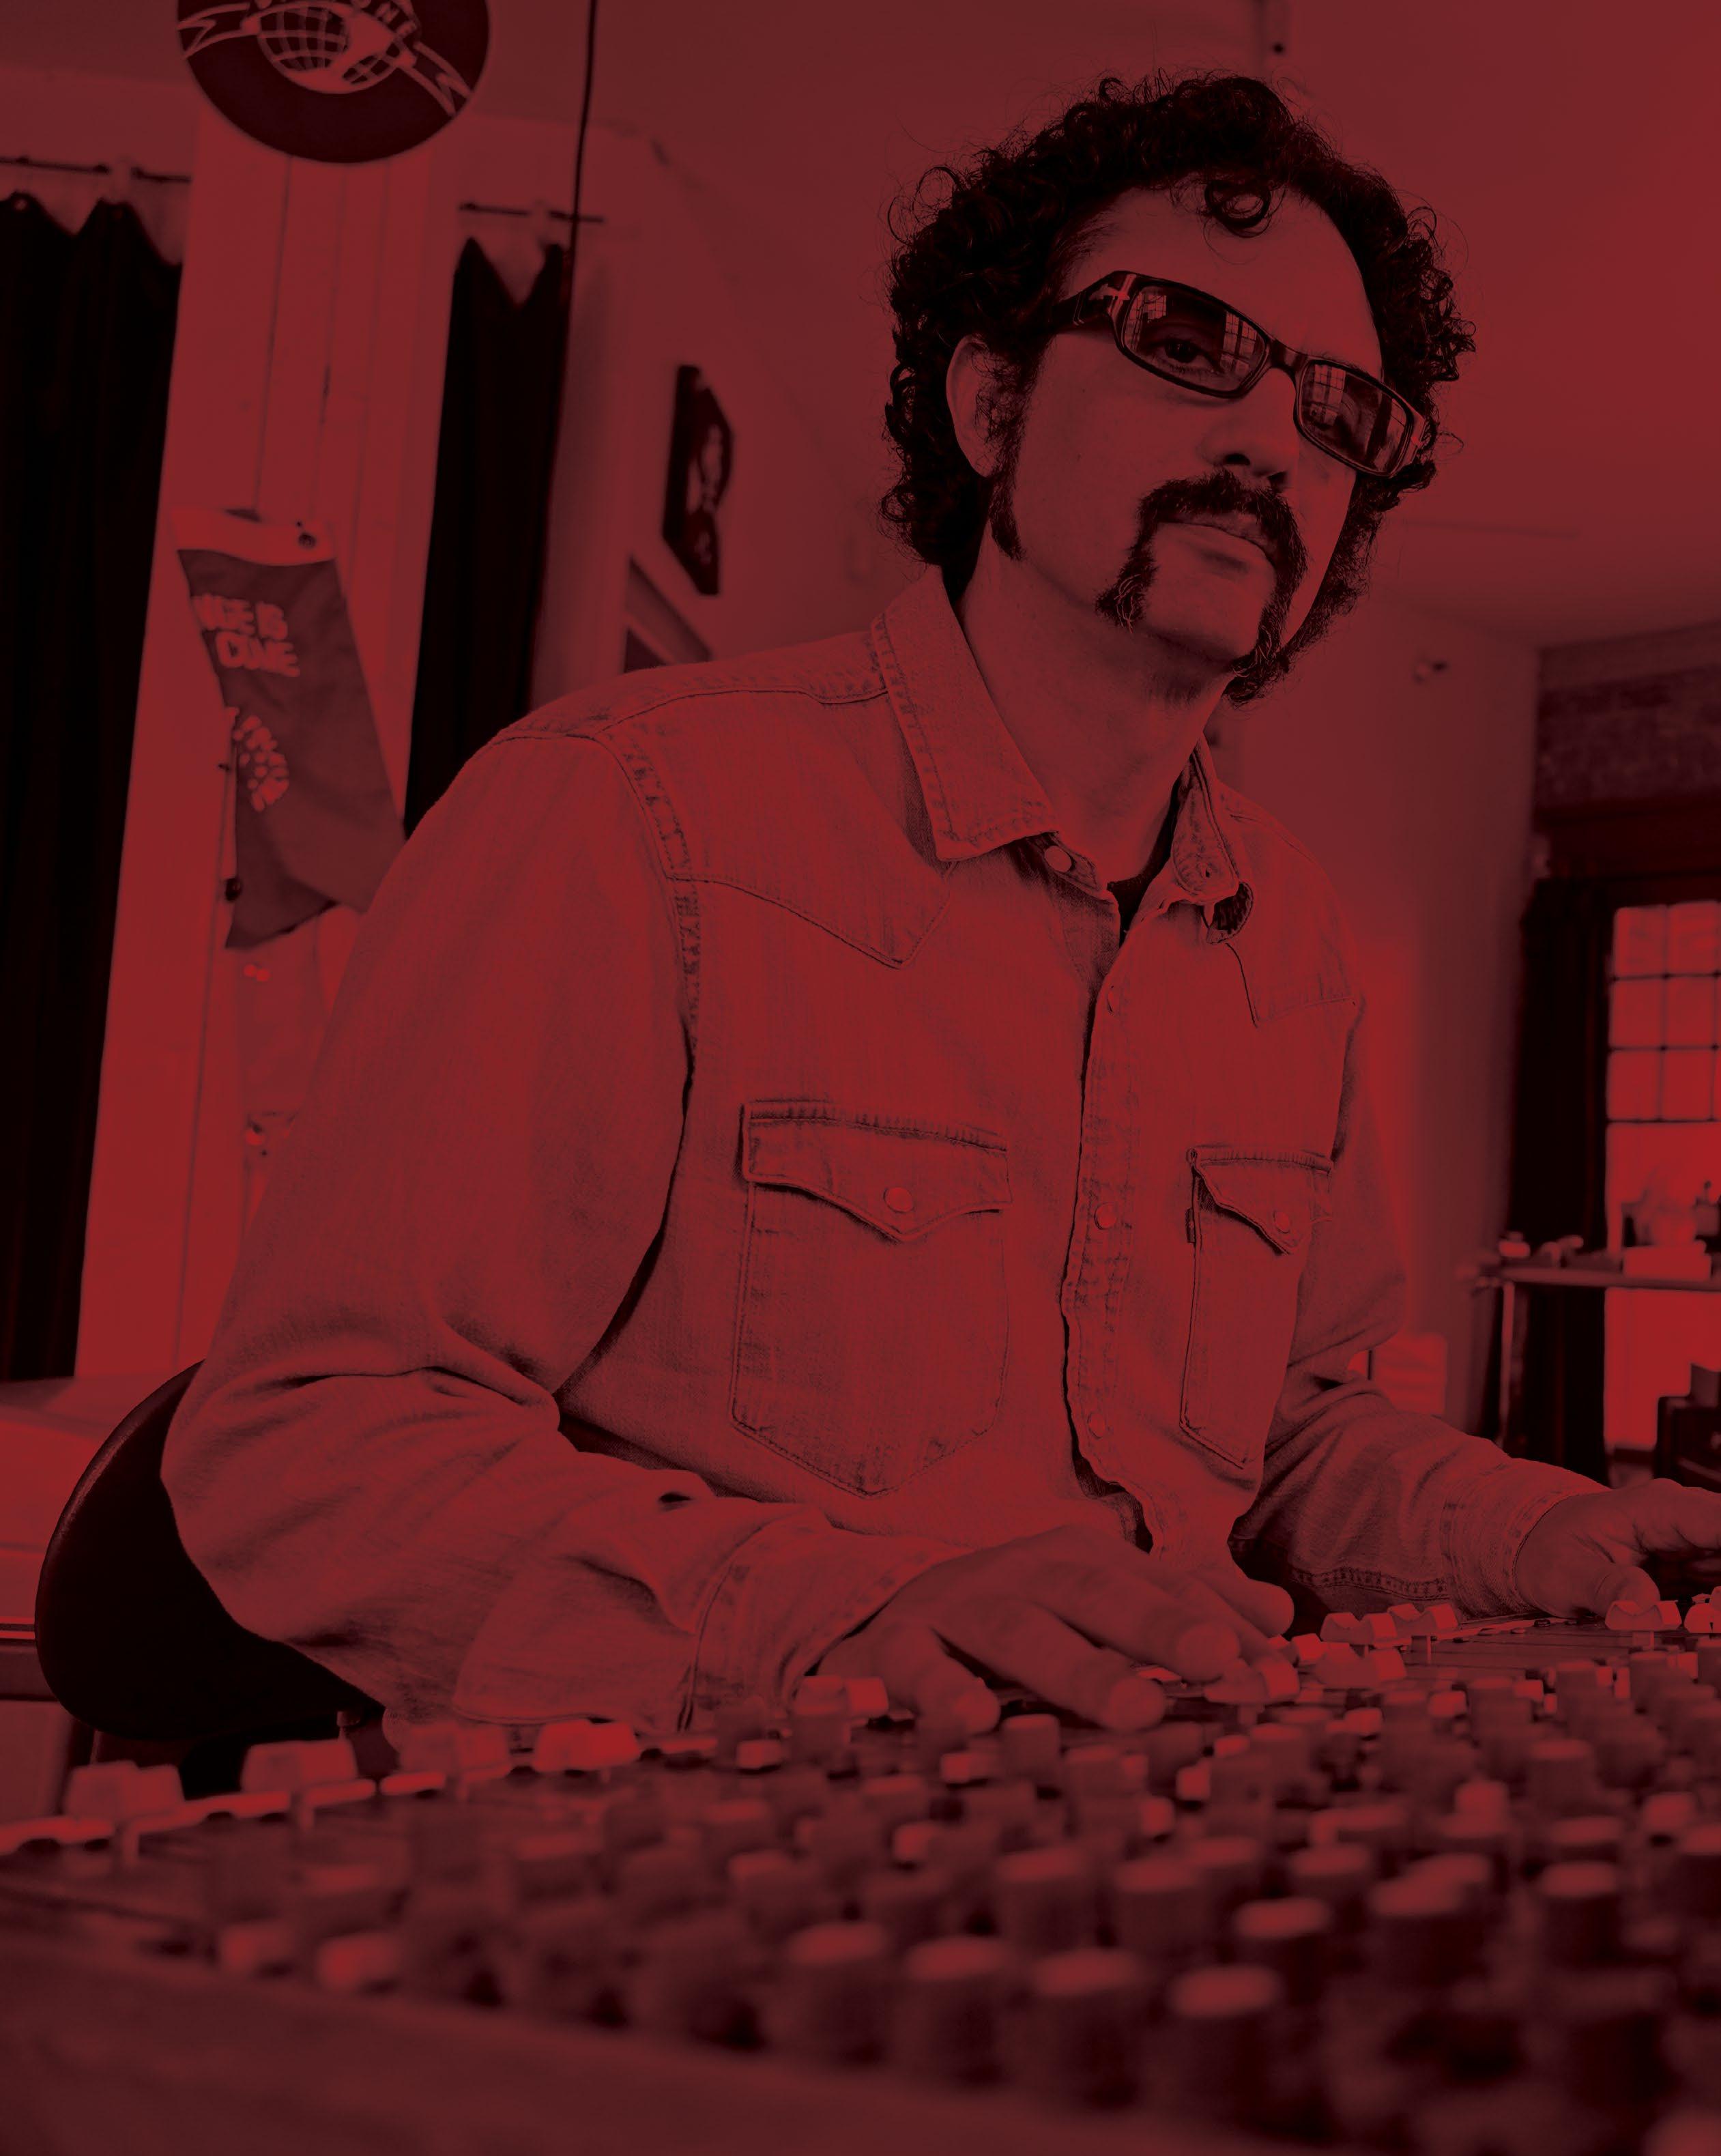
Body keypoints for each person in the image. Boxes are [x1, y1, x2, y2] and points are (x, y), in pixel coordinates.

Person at [164, 73, 1721, 1743]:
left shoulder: (1290, 942)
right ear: (989, 405)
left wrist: (1541, 1528)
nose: (1274, 439)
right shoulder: (629, 812)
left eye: (1340, 409)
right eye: (1186, 339)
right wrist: (837, 1615)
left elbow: (1284, 1441)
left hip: (1148, 1830)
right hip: (710, 1841)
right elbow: (311, 1443)